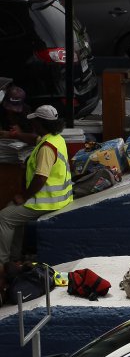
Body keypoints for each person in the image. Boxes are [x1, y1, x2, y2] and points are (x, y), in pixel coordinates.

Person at [0, 105, 72, 265]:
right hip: (60, 198)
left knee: (4, 218)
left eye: (35, 122)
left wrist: (23, 196)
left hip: (46, 202)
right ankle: (14, 258)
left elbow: (40, 178)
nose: (33, 125)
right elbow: (34, 139)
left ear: (41, 124)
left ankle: (2, 263)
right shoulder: (55, 139)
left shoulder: (47, 148)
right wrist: (15, 135)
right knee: (12, 212)